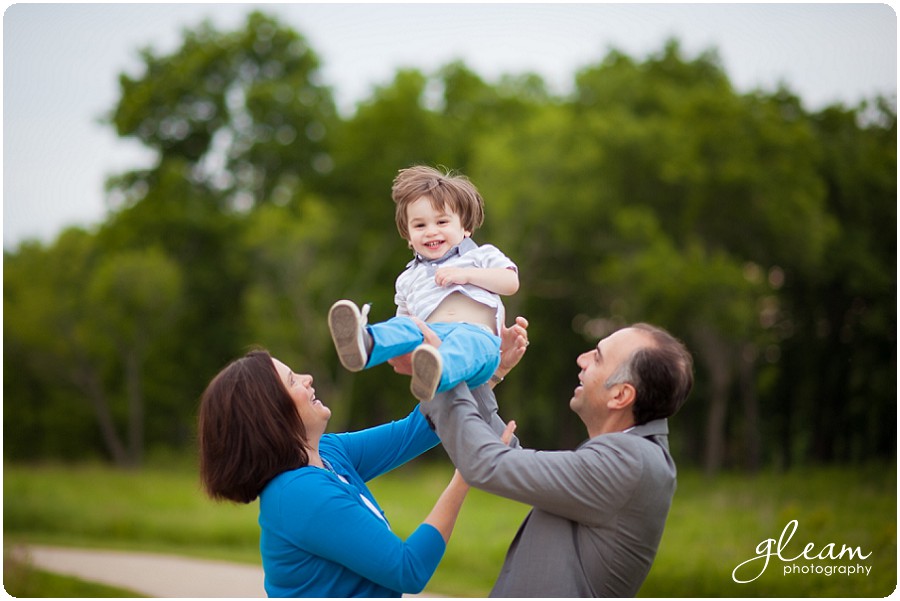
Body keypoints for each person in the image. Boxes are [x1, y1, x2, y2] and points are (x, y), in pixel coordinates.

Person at [196, 318, 529, 598]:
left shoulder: (328, 453)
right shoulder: (298, 494)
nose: (307, 378)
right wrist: (468, 472)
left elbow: (420, 427)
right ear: (269, 413)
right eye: (292, 380)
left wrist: (491, 372)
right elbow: (407, 569)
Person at [415, 321, 694, 597]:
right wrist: (491, 372)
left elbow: (487, 463)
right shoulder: (636, 456)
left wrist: (444, 368)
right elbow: (507, 457)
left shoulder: (631, 462)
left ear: (620, 395)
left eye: (597, 357)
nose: (581, 360)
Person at [328, 164, 519, 402]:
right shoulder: (408, 277)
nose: (430, 231)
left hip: (480, 339)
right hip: (432, 338)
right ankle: (366, 343)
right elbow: (404, 321)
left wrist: (468, 275)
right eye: (420, 225)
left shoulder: (480, 256)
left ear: (466, 227)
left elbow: (510, 281)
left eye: (441, 222)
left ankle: (437, 371)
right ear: (408, 236)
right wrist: (403, 347)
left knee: (463, 343)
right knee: (408, 326)